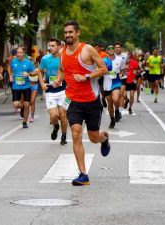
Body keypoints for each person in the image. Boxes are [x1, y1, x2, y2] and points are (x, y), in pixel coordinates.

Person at [53, 21, 110, 186]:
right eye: (66, 33)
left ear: (77, 33)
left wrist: (87, 76)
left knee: (93, 138)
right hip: (73, 100)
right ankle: (83, 174)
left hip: (91, 101)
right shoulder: (62, 53)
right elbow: (63, 70)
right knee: (76, 133)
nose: (68, 35)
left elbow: (103, 69)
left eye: (71, 32)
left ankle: (104, 138)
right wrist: (58, 80)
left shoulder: (87, 49)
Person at [39, 38, 68, 145]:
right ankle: (56, 127)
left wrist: (61, 80)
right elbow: (39, 71)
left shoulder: (64, 58)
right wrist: (42, 83)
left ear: (59, 46)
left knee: (63, 115)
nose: (50, 48)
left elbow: (68, 72)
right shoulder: (45, 59)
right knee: (54, 116)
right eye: (49, 46)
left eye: (53, 46)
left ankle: (64, 136)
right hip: (50, 91)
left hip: (63, 91)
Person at [8, 46, 38, 128]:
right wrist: (10, 76)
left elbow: (35, 71)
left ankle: (25, 122)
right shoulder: (13, 61)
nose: (19, 54)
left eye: (20, 53)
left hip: (26, 87)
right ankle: (22, 107)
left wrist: (29, 74)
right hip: (16, 87)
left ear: (24, 54)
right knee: (16, 104)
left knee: (27, 104)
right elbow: (9, 68)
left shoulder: (28, 63)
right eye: (17, 53)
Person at [102, 45, 123, 128]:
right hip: (107, 84)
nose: (111, 50)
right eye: (109, 49)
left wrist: (121, 73)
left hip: (116, 82)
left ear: (114, 50)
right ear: (107, 51)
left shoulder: (119, 59)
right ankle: (112, 119)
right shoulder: (103, 60)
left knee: (115, 99)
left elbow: (122, 69)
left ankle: (117, 110)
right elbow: (100, 70)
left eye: (112, 49)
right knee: (110, 104)